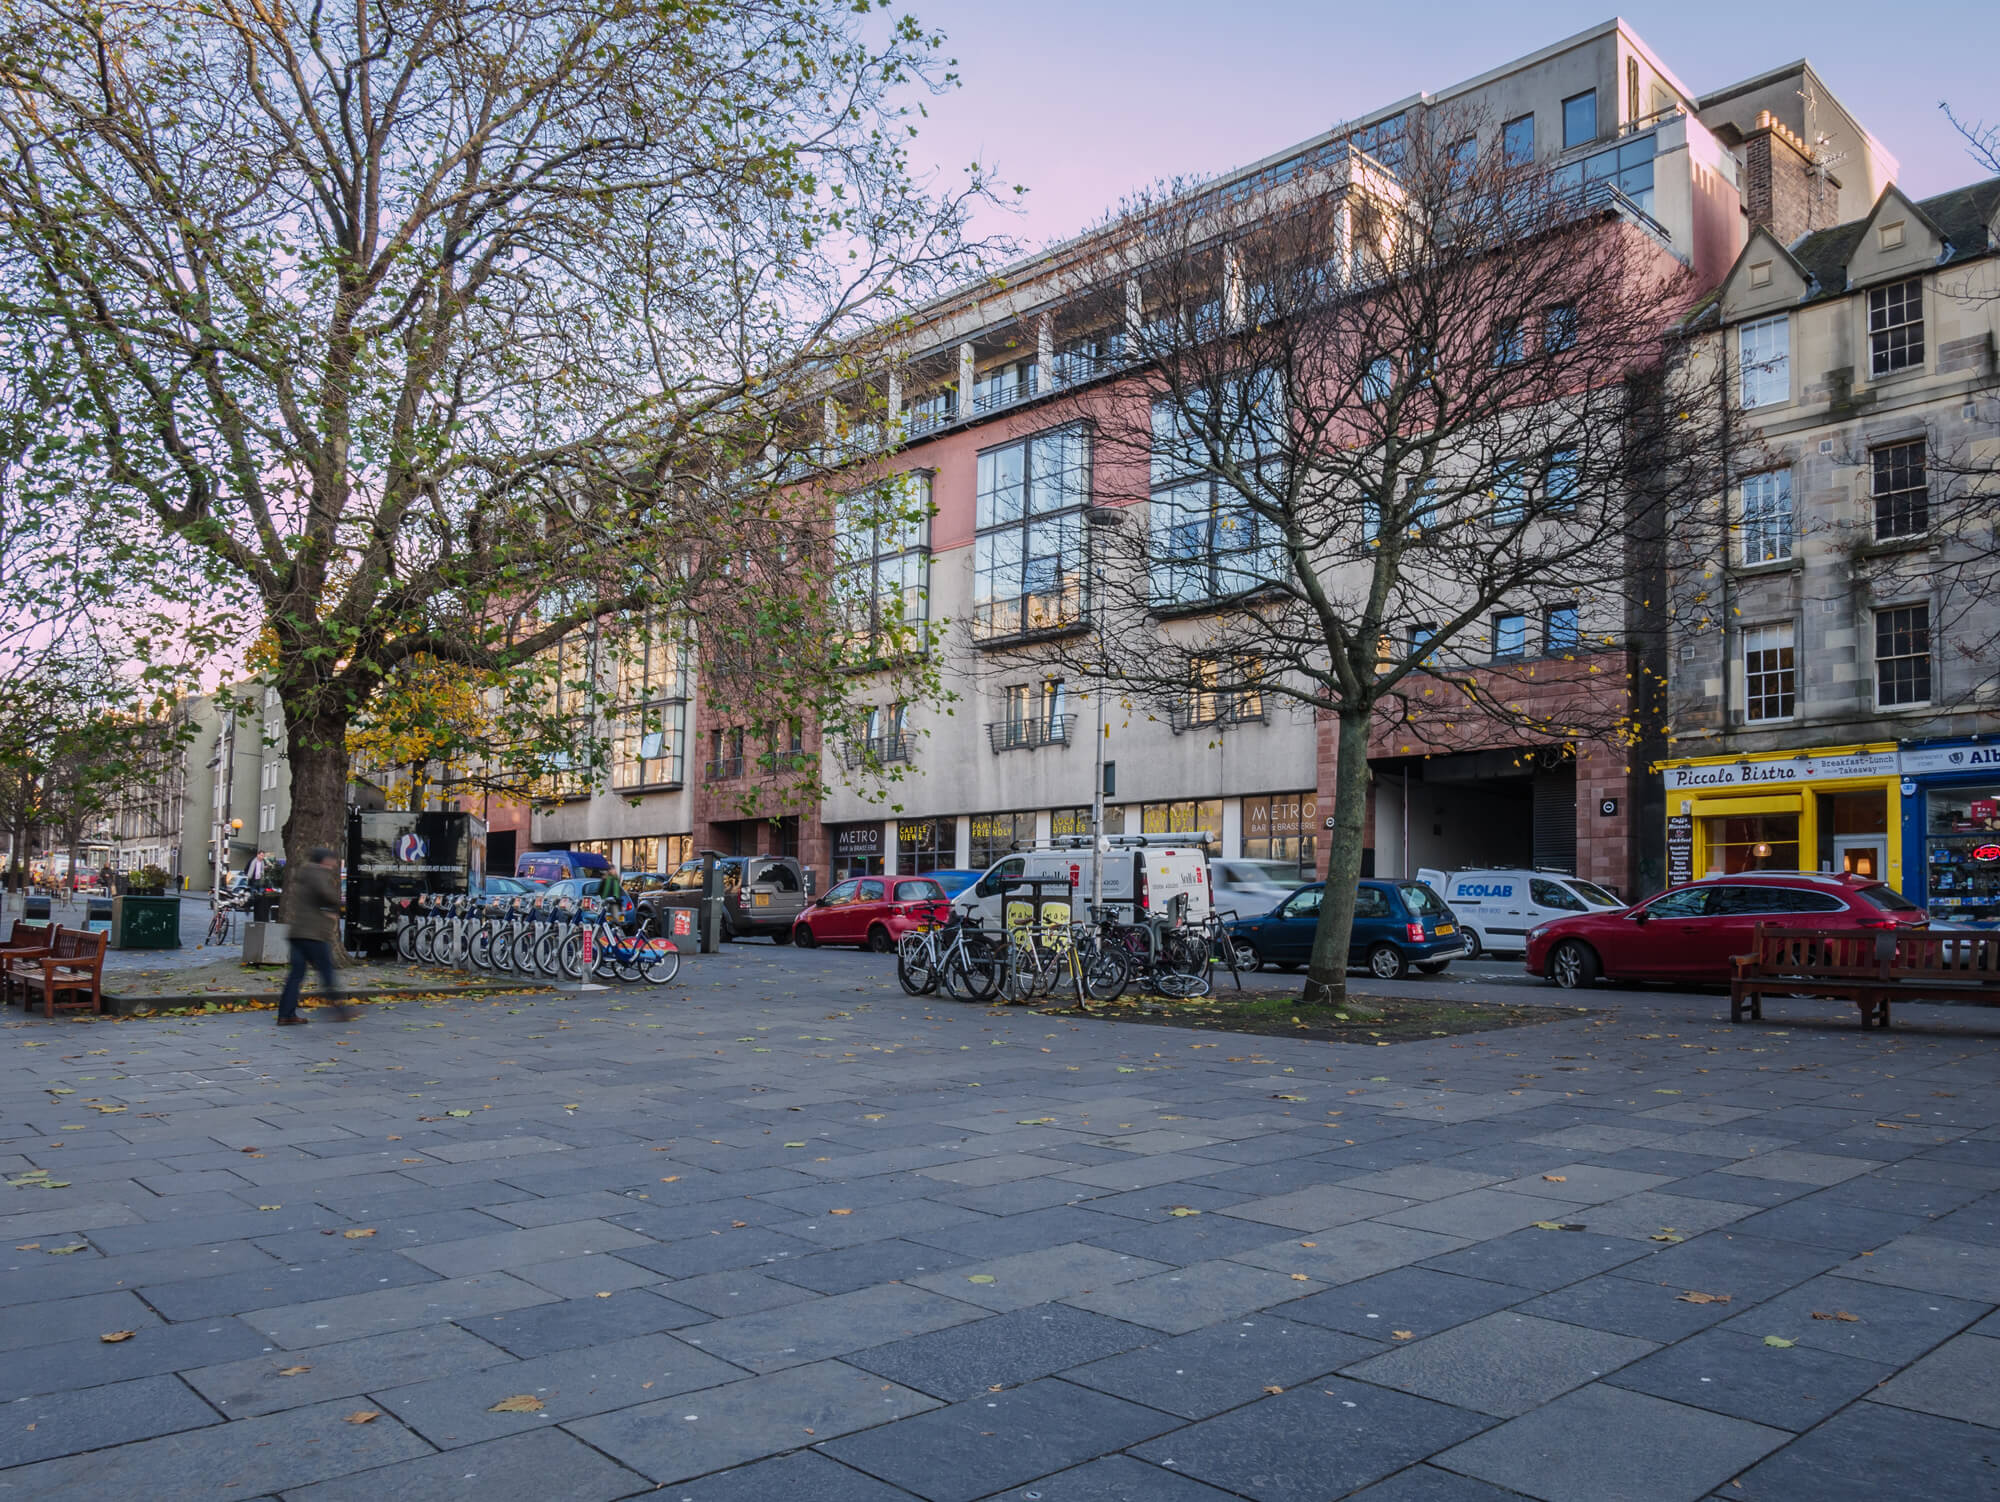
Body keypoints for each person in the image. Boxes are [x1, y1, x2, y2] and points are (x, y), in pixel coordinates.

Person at [277, 846, 352, 1026]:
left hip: (297, 931)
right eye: (333, 860)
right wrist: (339, 904)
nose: (335, 864)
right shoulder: (318, 873)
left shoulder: (303, 874)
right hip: (314, 933)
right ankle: (341, 1010)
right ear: (325, 860)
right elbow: (326, 895)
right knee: (326, 971)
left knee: (296, 974)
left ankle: (286, 1014)